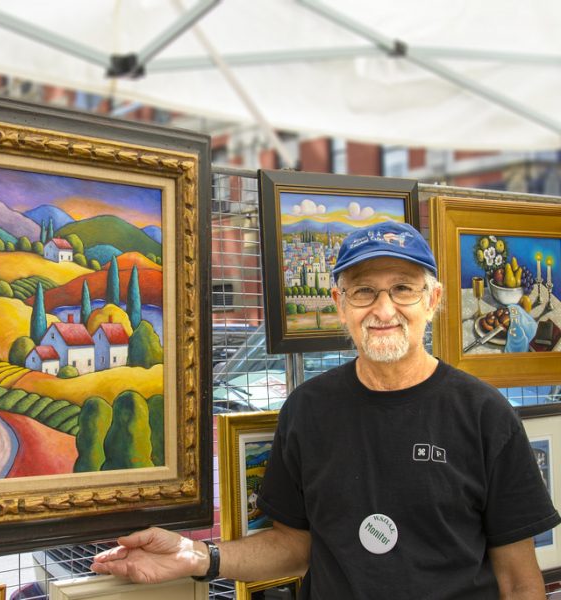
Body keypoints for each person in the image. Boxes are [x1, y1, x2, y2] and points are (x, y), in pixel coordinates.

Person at [92, 221, 560, 599]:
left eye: (403, 288)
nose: (383, 310)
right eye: (363, 291)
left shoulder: (484, 414)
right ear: (339, 303)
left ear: (432, 300)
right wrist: (198, 556)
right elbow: (293, 547)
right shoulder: (308, 410)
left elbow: (519, 582)